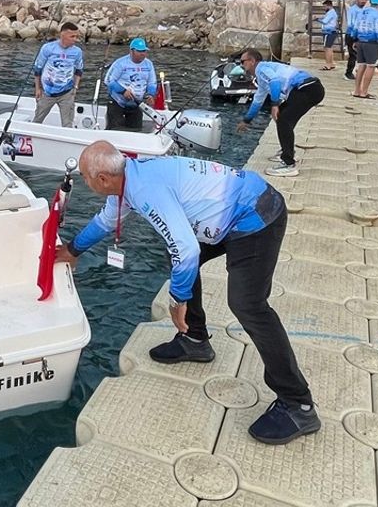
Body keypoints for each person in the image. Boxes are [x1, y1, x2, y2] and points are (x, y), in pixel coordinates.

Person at [59, 143, 320, 445]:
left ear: (103, 178)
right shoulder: (129, 175)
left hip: (256, 215)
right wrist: (73, 249)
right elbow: (106, 220)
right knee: (178, 259)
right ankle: (195, 341)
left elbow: (186, 249)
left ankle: (298, 404)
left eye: (84, 177)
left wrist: (177, 299)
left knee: (247, 305)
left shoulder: (144, 190)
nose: (84, 182)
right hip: (228, 215)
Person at [238, 49, 324, 177]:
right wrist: (246, 120)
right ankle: (287, 151)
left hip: (307, 89)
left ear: (252, 61)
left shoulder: (261, 69)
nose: (241, 65)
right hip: (310, 89)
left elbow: (275, 82)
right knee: (282, 117)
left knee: (284, 120)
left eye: (242, 61)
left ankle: (289, 164)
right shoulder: (262, 79)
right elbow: (257, 101)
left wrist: (275, 104)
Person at [32, 22, 85, 126]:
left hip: (67, 93)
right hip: (47, 92)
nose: (75, 39)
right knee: (37, 119)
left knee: (67, 123)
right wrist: (38, 88)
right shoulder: (47, 48)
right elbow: (37, 69)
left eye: (76, 36)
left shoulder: (77, 52)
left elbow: (79, 70)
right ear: (62, 35)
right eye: (72, 36)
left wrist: (75, 87)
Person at [105, 38, 158, 131]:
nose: (143, 54)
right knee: (115, 129)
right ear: (131, 51)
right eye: (139, 51)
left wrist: (151, 94)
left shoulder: (148, 64)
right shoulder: (120, 63)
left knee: (136, 131)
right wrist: (123, 91)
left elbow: (152, 82)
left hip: (136, 104)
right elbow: (108, 80)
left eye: (144, 51)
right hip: (118, 102)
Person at [353, 0, 378, 99]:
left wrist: (354, 40)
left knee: (361, 65)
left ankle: (357, 91)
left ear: (370, 1)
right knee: (371, 66)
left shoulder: (361, 12)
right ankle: (364, 92)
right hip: (371, 43)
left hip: (360, 41)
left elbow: (355, 27)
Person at [343, 0, 369, 81]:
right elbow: (351, 24)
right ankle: (348, 73)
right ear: (357, 0)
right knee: (353, 55)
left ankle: (354, 71)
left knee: (358, 54)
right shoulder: (352, 10)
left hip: (360, 35)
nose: (363, 1)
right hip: (352, 35)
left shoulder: (364, 11)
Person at [317, 0, 339, 71]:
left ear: (329, 6)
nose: (324, 8)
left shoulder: (331, 13)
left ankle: (328, 64)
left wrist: (317, 19)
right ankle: (331, 63)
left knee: (327, 48)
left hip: (328, 32)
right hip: (331, 32)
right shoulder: (331, 12)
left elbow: (325, 21)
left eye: (325, 6)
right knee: (330, 48)